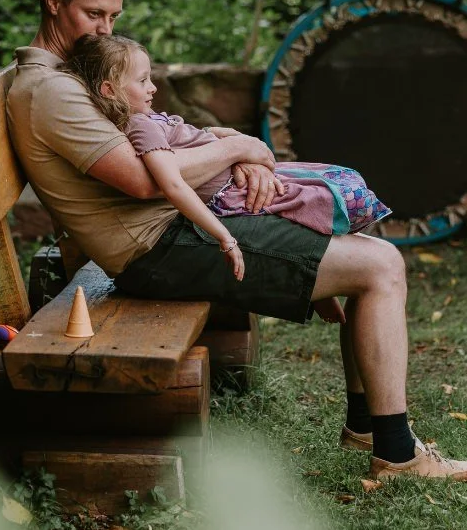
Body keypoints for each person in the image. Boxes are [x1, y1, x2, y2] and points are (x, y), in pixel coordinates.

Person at [6, 0, 467, 481]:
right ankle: (395, 453)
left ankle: (368, 428)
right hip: (159, 248)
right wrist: (238, 151)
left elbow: (160, 134)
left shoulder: (76, 73)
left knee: (345, 212)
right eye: (93, 15)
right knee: (380, 266)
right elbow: (143, 182)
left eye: (113, 17)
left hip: (181, 221)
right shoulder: (52, 91)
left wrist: (240, 160)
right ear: (52, 2)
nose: (105, 29)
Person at [61, 32, 391, 323]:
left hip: (233, 183)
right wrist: (224, 237)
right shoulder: (140, 125)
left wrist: (226, 139)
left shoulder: (146, 118)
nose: (153, 87)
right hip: (228, 198)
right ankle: (328, 279)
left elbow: (188, 137)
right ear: (109, 90)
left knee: (315, 189)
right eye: (143, 80)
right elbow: (173, 184)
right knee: (325, 193)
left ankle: (327, 282)